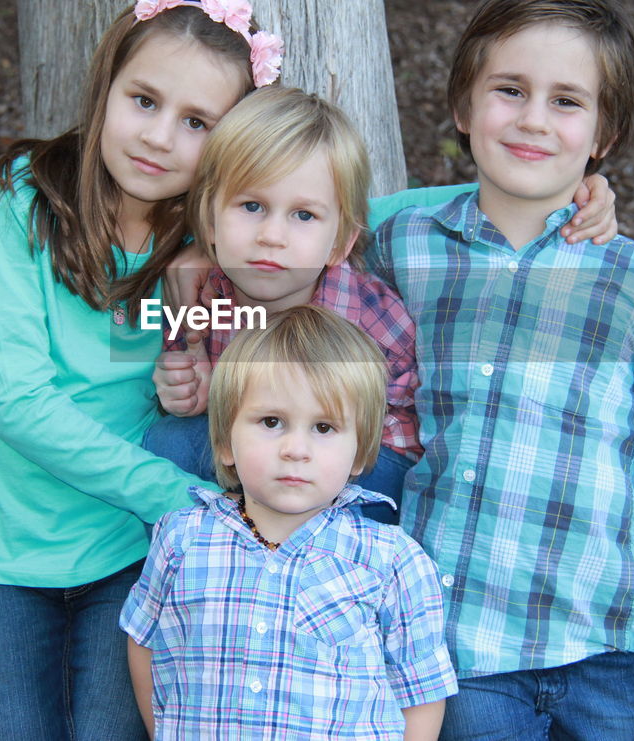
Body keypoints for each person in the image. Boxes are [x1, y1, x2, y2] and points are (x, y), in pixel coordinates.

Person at [368, 0, 634, 740]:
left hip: (608, 658)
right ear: (464, 106)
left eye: (567, 101)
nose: (533, 119)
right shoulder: (403, 248)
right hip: (463, 658)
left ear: (604, 134)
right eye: (509, 90)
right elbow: (303, 222)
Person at [0, 0, 286, 740]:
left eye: (196, 122)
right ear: (107, 87)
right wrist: (177, 496)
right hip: (9, 555)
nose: (160, 136)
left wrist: (566, 191)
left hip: (133, 554)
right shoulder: (21, 200)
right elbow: (18, 403)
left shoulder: (212, 241)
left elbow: (350, 211)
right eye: (144, 100)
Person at [120, 305, 459, 740]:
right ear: (225, 442)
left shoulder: (393, 561)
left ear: (359, 453)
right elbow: (145, 640)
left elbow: (421, 692)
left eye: (323, 427)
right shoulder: (182, 539)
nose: (295, 449)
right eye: (272, 422)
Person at [144, 86, 422, 524]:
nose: (272, 235)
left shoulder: (372, 317)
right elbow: (187, 376)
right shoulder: (204, 294)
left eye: (303, 215)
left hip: (358, 462)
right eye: (252, 206)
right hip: (255, 448)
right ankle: (211, 564)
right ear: (211, 220)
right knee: (171, 440)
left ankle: (317, 573)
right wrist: (186, 391)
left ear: (342, 242)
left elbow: (406, 415)